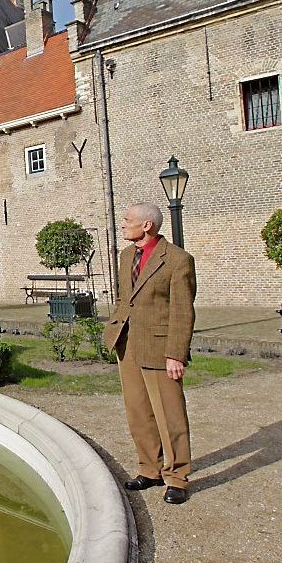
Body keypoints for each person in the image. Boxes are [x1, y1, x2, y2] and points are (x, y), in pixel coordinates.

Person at [103, 202, 196, 505]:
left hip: (159, 347)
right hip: (127, 345)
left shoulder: (178, 261)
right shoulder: (126, 255)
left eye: (128, 220)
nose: (123, 224)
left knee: (170, 416)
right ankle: (150, 469)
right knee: (138, 413)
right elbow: (124, 297)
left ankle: (177, 477)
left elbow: (183, 312)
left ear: (147, 226)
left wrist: (176, 354)